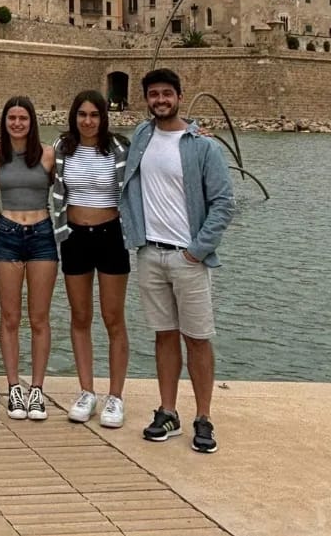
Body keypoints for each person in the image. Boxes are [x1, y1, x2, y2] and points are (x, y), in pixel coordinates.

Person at [119, 68, 235, 454]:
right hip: (150, 253)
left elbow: (223, 203)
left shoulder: (203, 147)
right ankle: (168, 411)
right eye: (154, 94)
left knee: (197, 338)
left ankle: (204, 417)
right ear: (146, 99)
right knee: (164, 336)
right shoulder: (141, 136)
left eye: (167, 93)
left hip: (188, 257)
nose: (160, 100)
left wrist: (197, 250)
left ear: (180, 97)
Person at [51, 90, 131, 429]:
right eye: (82, 114)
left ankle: (116, 396)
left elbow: (155, 151)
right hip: (75, 237)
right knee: (80, 316)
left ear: (103, 117)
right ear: (74, 116)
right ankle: (86, 391)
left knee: (113, 318)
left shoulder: (119, 148)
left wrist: (195, 131)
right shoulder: (62, 147)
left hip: (111, 235)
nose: (88, 121)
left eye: (94, 115)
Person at [0, 95, 57, 421]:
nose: (17, 123)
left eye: (23, 118)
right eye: (12, 118)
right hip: (8, 234)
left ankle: (37, 389)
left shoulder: (48, 154)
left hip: (42, 234)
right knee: (10, 317)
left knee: (39, 318)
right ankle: (14, 386)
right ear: (4, 122)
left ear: (32, 122)